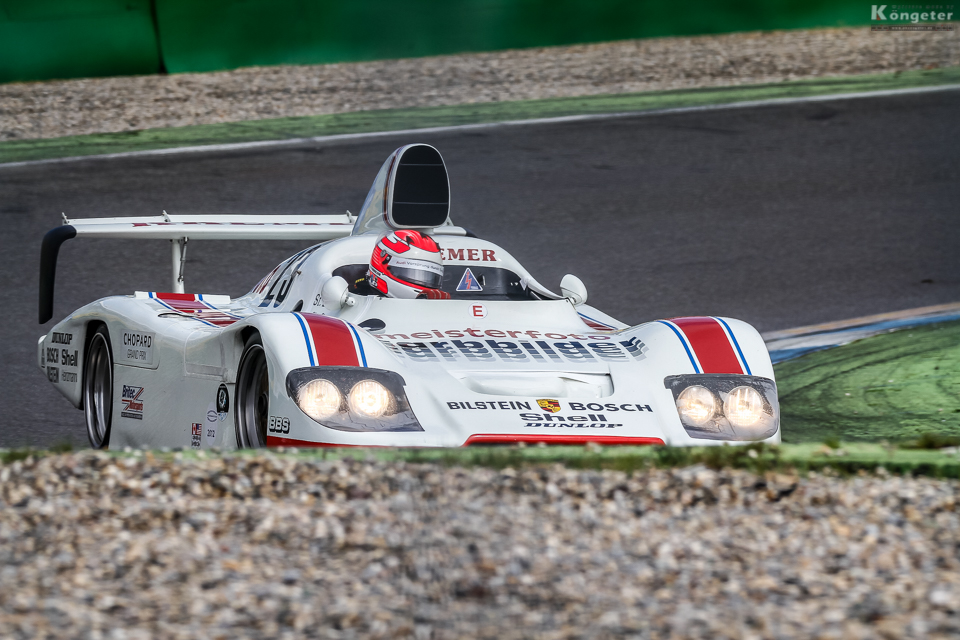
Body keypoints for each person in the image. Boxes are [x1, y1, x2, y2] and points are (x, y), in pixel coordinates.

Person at [367, 230, 450, 299]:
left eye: (430, 276)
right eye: (411, 271)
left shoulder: (434, 303)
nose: (423, 281)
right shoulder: (359, 301)